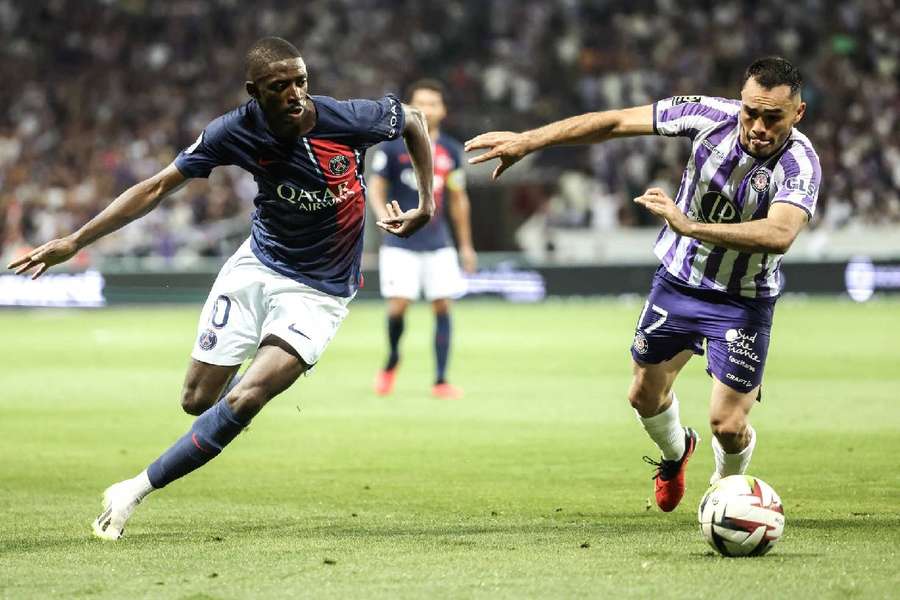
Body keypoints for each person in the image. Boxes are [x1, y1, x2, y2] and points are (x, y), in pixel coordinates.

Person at [7, 37, 435, 540]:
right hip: (257, 267)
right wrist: (75, 240)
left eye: (301, 81)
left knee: (247, 397)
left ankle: (134, 489)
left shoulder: (350, 117)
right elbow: (156, 187)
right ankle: (227, 412)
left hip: (320, 291)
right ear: (255, 92)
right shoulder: (234, 131)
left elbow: (414, 121)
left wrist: (426, 203)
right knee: (195, 400)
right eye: (280, 87)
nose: (296, 94)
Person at [465, 57, 821, 512]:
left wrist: (689, 226)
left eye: (773, 117)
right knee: (642, 395)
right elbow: (614, 122)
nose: (757, 126)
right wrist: (528, 140)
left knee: (728, 425)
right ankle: (676, 454)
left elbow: (780, 234)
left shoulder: (800, 163)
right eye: (750, 111)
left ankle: (724, 498)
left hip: (743, 299)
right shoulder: (708, 116)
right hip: (680, 281)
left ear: (798, 113)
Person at [369, 79, 476, 400]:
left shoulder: (451, 152)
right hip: (401, 240)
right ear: (408, 107)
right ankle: (391, 359)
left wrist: (466, 245)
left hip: (438, 241)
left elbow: (458, 200)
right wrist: (382, 215)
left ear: (442, 110)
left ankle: (441, 379)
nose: (427, 109)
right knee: (398, 306)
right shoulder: (391, 147)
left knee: (443, 305)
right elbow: (376, 187)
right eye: (421, 103)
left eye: (433, 103)